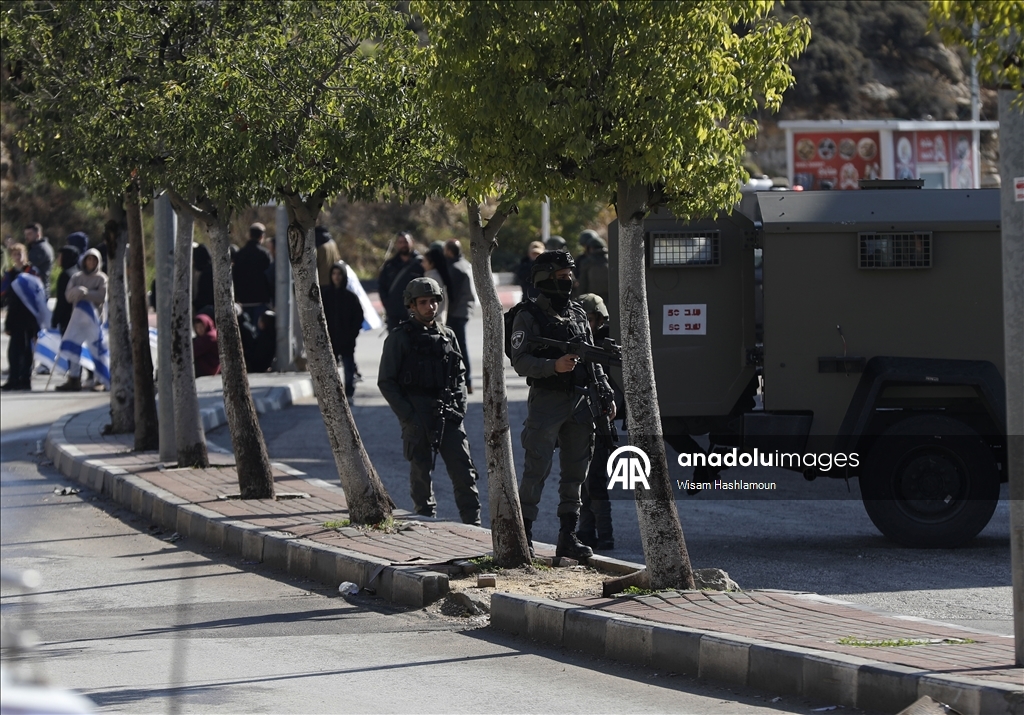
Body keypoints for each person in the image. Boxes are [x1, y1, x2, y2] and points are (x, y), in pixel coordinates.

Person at [509, 250, 616, 560]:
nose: (568, 283)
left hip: (580, 401)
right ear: (545, 279)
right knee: (536, 469)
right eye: (561, 278)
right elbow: (521, 360)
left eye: (570, 277)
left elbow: (593, 359)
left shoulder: (579, 313)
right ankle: (523, 534)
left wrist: (606, 392)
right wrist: (553, 366)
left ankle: (568, 536)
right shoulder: (527, 315)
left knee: (576, 472)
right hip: (547, 401)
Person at [378, 277, 481, 525]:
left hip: (447, 410)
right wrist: (408, 415)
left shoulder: (448, 335)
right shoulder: (400, 338)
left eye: (434, 301)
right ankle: (425, 520)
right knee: (421, 473)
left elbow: (459, 374)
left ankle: (473, 523)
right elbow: (387, 382)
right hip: (417, 410)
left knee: (463, 471)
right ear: (411, 305)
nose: (430, 307)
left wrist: (459, 406)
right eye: (423, 302)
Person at [575, 293, 619, 550]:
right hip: (579, 421)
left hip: (600, 422)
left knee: (596, 483)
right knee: (582, 482)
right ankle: (586, 531)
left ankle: (605, 534)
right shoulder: (577, 343)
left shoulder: (605, 348)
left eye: (591, 319)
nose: (587, 324)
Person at [55, 248, 108, 392]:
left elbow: (102, 296)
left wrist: (86, 293)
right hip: (77, 319)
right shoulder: (77, 277)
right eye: (88, 259)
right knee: (74, 347)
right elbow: (68, 296)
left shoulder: (101, 278)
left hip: (94, 320)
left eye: (93, 260)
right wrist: (76, 292)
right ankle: (73, 378)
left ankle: (99, 379)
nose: (90, 262)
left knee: (96, 349)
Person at [1, 243, 48, 391]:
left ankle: (25, 379)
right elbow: (4, 294)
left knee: (27, 349)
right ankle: (13, 379)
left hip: (29, 316)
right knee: (14, 350)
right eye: (15, 254)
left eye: (20, 254)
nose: (18, 257)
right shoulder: (9, 273)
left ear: (25, 255)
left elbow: (39, 293)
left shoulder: (32, 272)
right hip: (14, 316)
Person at [322, 261, 364, 398]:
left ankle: (349, 392)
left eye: (339, 274)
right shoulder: (325, 296)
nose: (336, 277)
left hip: (347, 339)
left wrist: (352, 334)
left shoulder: (351, 297)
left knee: (348, 367)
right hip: (330, 339)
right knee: (330, 368)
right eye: (334, 274)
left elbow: (358, 317)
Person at [378, 232, 424, 331]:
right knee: (395, 345)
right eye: (400, 242)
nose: (403, 245)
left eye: (406, 242)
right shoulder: (390, 265)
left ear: (412, 242)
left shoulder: (421, 264)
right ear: (397, 244)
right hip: (394, 315)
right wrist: (388, 305)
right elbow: (382, 287)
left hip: (416, 315)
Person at [233, 222, 273, 329]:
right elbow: (269, 277)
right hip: (261, 300)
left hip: (243, 301)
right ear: (262, 237)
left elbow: (235, 276)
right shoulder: (265, 254)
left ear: (249, 235)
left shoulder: (240, 254)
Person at [52, 245, 81, 336]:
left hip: (67, 319)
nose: (58, 259)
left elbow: (62, 300)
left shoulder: (65, 275)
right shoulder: (78, 272)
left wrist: (55, 320)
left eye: (60, 256)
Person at [422, 245, 452, 325]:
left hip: (435, 320)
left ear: (431, 263)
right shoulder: (435, 276)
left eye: (424, 261)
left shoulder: (433, 279)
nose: (422, 264)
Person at [575, 236, 610, 301]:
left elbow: (583, 283)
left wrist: (579, 299)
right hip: (610, 298)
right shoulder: (611, 260)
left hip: (593, 299)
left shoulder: (587, 261)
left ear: (590, 248)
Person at [23, 223, 54, 296]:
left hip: (39, 289)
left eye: (29, 234)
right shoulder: (35, 247)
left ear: (38, 234)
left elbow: (29, 266)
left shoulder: (41, 248)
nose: (27, 237)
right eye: (26, 234)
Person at [192, 243, 215, 318]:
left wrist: (196, 303)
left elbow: (204, 294)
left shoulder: (207, 273)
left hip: (205, 309)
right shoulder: (211, 270)